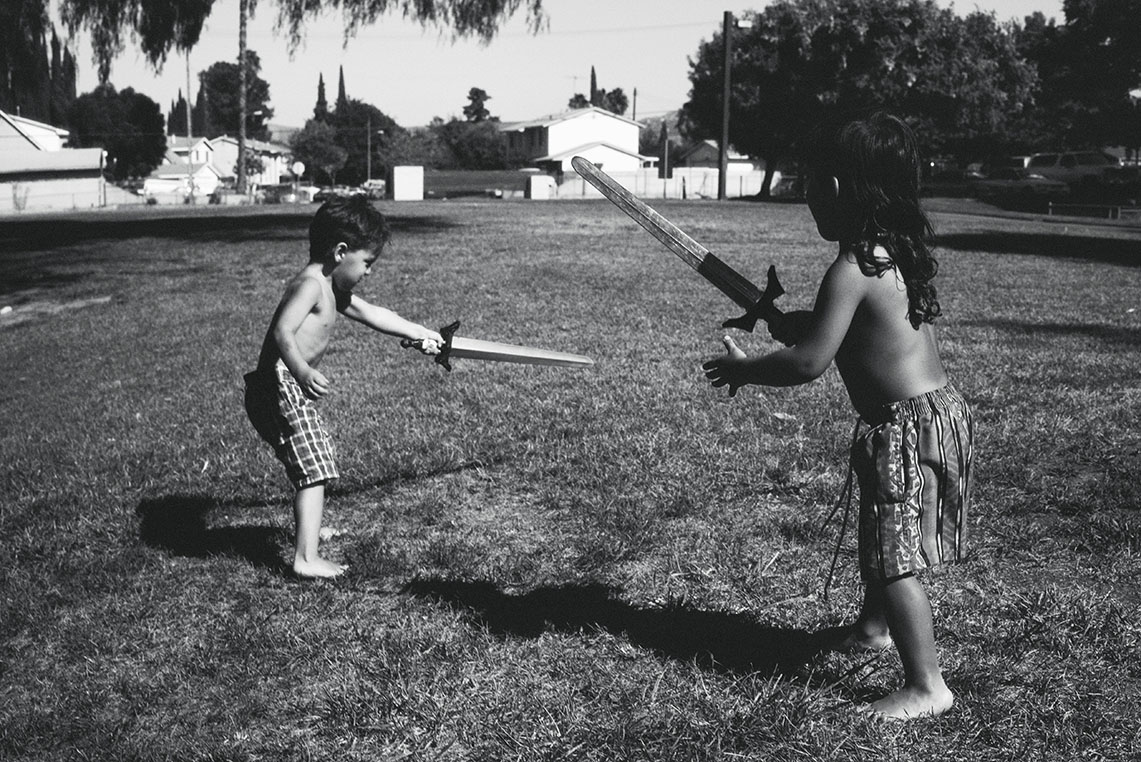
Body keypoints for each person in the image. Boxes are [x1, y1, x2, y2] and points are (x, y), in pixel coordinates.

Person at [702, 112, 974, 720]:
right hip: (939, 415)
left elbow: (808, 363)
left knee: (894, 556)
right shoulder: (891, 253)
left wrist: (748, 369)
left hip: (904, 426)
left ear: (837, 189)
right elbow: (848, 334)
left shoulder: (851, 268)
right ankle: (875, 628)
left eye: (811, 185)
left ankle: (927, 685)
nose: (806, 198)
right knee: (883, 536)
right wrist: (791, 322)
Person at [244, 195, 443, 579]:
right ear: (340, 252)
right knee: (314, 464)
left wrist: (419, 333)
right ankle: (305, 559)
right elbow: (282, 331)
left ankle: (309, 534)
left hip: (284, 387)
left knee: (313, 460)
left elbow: (372, 313)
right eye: (366, 263)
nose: (368, 272)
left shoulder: (331, 287)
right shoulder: (310, 286)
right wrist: (301, 371)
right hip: (279, 384)